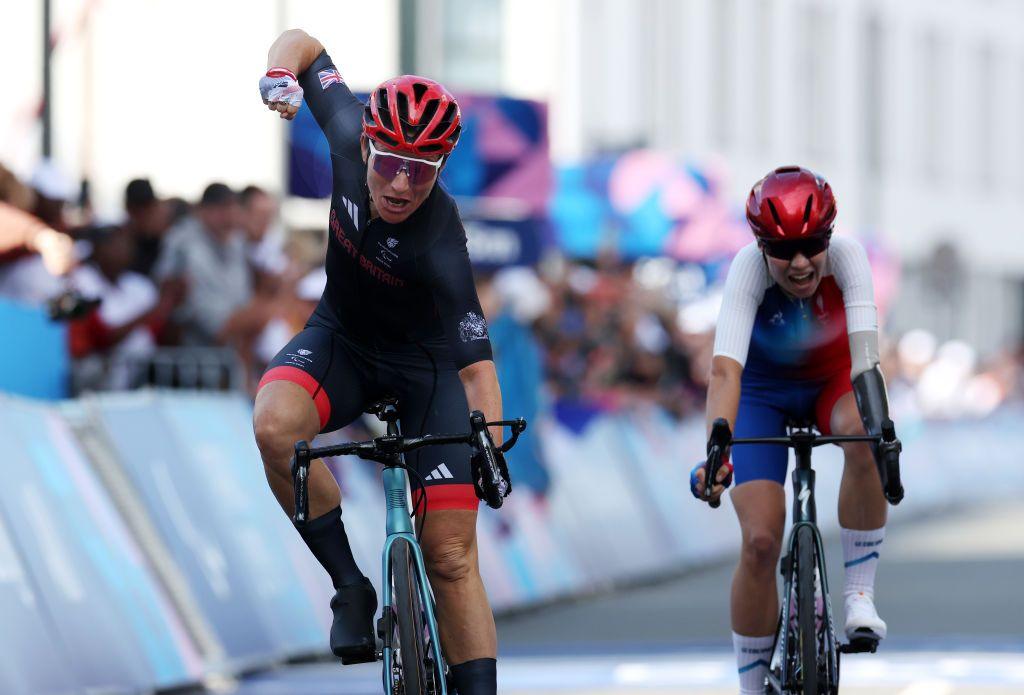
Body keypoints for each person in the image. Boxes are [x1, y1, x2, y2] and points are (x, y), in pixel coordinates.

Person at [254, 29, 505, 694]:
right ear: (366, 142)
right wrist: (280, 72)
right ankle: (350, 585)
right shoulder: (343, 132)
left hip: (426, 374)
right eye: (390, 162)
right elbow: (304, 44)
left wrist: (488, 444)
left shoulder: (442, 240)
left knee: (451, 556)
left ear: (442, 167)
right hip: (342, 340)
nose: (400, 185)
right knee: (275, 422)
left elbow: (477, 365)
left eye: (420, 172)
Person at [691, 167, 895, 694]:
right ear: (760, 246)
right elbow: (726, 371)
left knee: (863, 434)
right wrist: (716, 449)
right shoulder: (746, 270)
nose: (801, 262)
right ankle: (752, 686)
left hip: (833, 382)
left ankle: (857, 595)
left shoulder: (848, 259)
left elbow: (867, 363)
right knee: (760, 541)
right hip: (762, 393)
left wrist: (883, 436)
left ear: (829, 237)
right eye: (784, 251)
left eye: (812, 245)